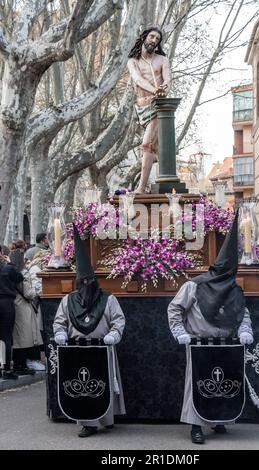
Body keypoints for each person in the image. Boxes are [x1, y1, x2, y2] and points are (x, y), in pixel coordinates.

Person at [167, 212, 254, 444]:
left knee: (222, 382)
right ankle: (195, 426)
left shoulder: (233, 290)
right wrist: (180, 332)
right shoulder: (193, 286)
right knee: (196, 385)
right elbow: (174, 309)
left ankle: (219, 418)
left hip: (225, 345)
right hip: (198, 344)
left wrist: (245, 329)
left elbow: (242, 313)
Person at [53, 225, 126, 437]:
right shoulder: (68, 301)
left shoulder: (108, 299)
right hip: (77, 351)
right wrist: (60, 333)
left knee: (101, 384)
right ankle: (89, 423)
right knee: (84, 387)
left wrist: (114, 334)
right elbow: (59, 321)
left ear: (95, 281)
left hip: (102, 348)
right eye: (82, 282)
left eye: (89, 281)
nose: (86, 284)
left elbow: (118, 320)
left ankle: (107, 418)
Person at [127, 26, 171, 193]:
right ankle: (166, 182)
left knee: (147, 144)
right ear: (144, 37)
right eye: (152, 36)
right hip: (141, 108)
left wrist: (162, 91)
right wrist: (154, 89)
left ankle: (141, 187)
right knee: (157, 148)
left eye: (157, 39)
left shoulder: (162, 60)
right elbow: (137, 80)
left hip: (158, 106)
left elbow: (167, 79)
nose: (154, 40)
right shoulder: (133, 61)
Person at [9, 248, 44, 375]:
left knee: (17, 337)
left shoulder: (9, 273)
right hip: (23, 307)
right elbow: (29, 293)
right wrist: (37, 291)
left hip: (14, 305)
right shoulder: (22, 275)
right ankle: (22, 363)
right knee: (25, 337)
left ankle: (19, 362)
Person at [0, 245, 24, 379]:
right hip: (6, 302)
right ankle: (7, 369)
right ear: (1, 253)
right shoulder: (8, 268)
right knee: (7, 336)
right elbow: (19, 277)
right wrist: (10, 262)